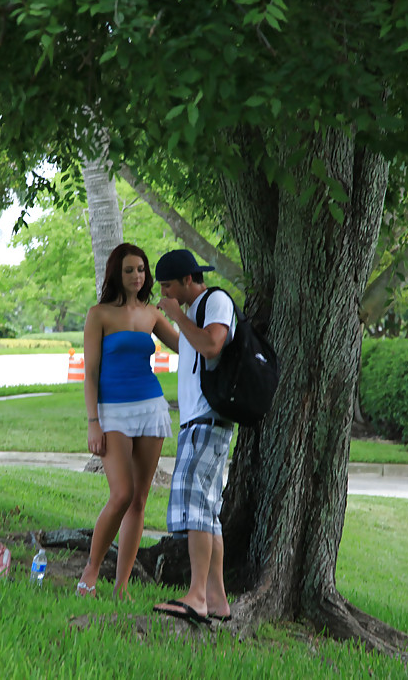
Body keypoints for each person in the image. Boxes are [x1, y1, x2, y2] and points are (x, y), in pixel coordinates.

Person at [77, 242, 179, 600]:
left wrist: (181, 311)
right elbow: (90, 373)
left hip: (150, 407)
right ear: (116, 275)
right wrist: (93, 421)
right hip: (113, 411)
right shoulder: (99, 314)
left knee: (139, 500)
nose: (137, 276)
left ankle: (121, 587)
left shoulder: (152, 313)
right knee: (120, 494)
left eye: (141, 269)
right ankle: (91, 570)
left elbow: (185, 346)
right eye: (129, 270)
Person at [151, 249, 235, 624]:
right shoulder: (193, 314)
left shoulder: (214, 301)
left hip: (207, 422)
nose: (165, 294)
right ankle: (217, 599)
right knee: (209, 514)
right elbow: (185, 343)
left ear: (188, 279)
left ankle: (197, 596)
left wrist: (175, 313)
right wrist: (160, 320)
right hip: (199, 424)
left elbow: (213, 345)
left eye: (168, 286)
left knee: (197, 512)